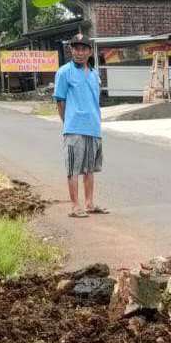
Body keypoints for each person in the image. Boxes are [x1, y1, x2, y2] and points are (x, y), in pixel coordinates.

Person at [53, 34, 108, 218]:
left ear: (89, 51)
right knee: (73, 169)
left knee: (89, 168)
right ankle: (75, 206)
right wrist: (67, 122)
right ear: (71, 50)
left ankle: (90, 203)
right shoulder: (64, 72)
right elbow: (60, 101)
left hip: (93, 127)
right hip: (74, 128)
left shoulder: (94, 73)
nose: (79, 52)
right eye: (76, 48)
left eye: (83, 48)